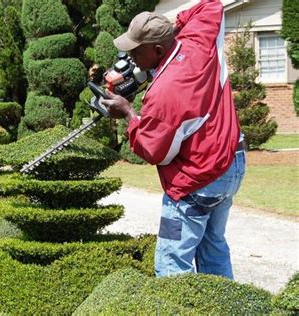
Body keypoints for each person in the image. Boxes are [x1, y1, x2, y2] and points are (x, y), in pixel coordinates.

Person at [100, 0, 246, 279]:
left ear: (156, 51)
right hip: (232, 162)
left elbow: (155, 151)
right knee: (213, 249)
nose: (130, 57)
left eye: (135, 51)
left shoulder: (164, 92)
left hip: (199, 180)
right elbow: (211, 5)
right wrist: (171, 27)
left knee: (171, 262)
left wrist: (129, 114)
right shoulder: (197, 41)